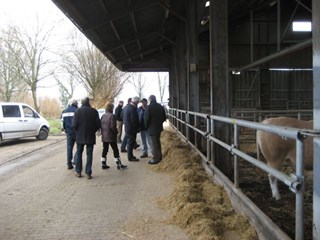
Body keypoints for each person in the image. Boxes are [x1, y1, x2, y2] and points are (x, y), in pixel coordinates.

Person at [73, 97, 101, 179]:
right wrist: (93, 130)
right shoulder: (94, 111)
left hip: (80, 136)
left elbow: (74, 125)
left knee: (79, 153)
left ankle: (78, 171)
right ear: (88, 102)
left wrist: (77, 133)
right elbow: (98, 124)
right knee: (89, 154)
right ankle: (88, 172)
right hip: (90, 136)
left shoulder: (77, 111)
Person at [100, 102, 127, 170]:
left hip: (104, 135)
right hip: (111, 136)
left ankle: (103, 163)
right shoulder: (112, 116)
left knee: (105, 149)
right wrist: (116, 132)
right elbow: (112, 126)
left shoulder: (103, 115)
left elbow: (101, 125)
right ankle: (119, 164)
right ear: (112, 108)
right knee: (115, 149)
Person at [144, 95, 167, 164]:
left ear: (150, 100)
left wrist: (146, 127)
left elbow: (146, 119)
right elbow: (164, 117)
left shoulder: (149, 107)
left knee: (154, 144)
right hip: (159, 128)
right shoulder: (160, 106)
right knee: (157, 142)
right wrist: (159, 123)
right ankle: (159, 156)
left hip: (151, 128)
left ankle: (155, 159)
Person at [61, 98, 78, 169]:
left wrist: (65, 130)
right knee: (79, 147)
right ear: (75, 103)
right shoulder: (77, 111)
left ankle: (69, 163)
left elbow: (62, 123)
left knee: (69, 148)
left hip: (69, 132)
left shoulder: (64, 112)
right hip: (77, 132)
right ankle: (75, 160)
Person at [122, 96, 140, 161]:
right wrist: (138, 128)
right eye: (137, 102)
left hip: (127, 127)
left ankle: (131, 155)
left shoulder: (126, 107)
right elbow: (134, 120)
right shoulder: (133, 109)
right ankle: (130, 157)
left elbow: (122, 116)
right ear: (136, 102)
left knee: (130, 142)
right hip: (132, 129)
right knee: (131, 143)